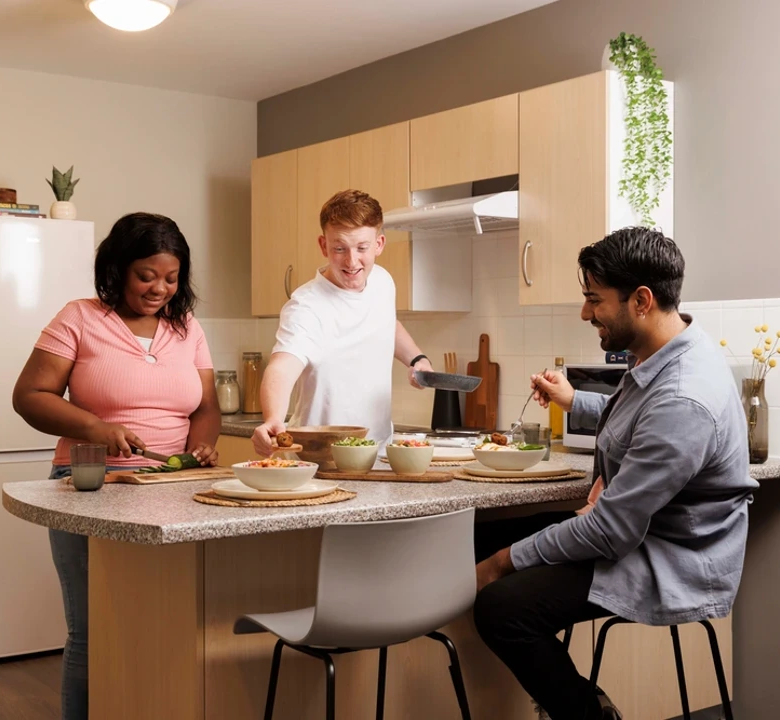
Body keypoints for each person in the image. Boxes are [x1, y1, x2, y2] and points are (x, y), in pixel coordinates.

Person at [472, 226, 758, 720]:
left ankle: (589, 714)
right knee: (474, 539)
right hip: (640, 533)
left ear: (641, 300)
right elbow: (636, 422)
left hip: (672, 557)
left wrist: (502, 563)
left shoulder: (684, 396)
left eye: (593, 300)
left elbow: (609, 529)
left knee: (502, 606)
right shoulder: (667, 351)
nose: (586, 313)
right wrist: (574, 400)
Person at [12, 212, 221, 720]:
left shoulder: (186, 326)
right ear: (118, 268)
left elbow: (206, 406)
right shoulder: (80, 318)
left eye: (171, 278)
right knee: (95, 628)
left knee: (169, 622)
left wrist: (201, 446)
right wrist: (97, 429)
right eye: (146, 276)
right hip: (91, 483)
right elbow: (29, 396)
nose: (159, 289)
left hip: (173, 486)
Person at [252, 189, 433, 455]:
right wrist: (273, 419)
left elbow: (387, 324)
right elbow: (282, 368)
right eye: (339, 248)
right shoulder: (306, 306)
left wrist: (418, 359)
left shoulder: (382, 282)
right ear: (323, 245)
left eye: (362, 248)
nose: (351, 261)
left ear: (379, 244)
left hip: (379, 453)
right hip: (322, 456)